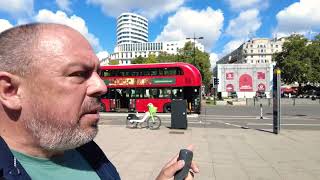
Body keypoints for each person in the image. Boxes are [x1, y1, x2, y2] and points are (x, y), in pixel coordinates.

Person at [0, 23, 199, 180]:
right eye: (78, 73)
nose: (103, 87)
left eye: (99, 73)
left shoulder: (86, 149)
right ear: (10, 91)